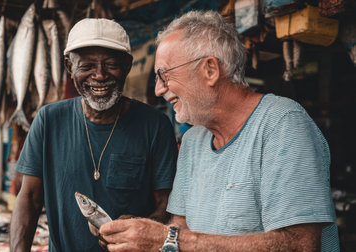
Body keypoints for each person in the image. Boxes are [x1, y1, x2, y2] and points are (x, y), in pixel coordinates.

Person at [99, 10, 339, 252]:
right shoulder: (193, 140)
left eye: (164, 75)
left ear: (210, 70)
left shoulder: (282, 123)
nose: (159, 89)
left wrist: (166, 239)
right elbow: (180, 229)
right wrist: (139, 235)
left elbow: (300, 245)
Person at [9, 18, 178, 251]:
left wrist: (145, 226)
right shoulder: (49, 120)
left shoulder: (156, 125)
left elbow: (167, 206)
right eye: (87, 66)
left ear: (127, 66)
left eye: (110, 64)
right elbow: (28, 198)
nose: (99, 75)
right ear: (69, 67)